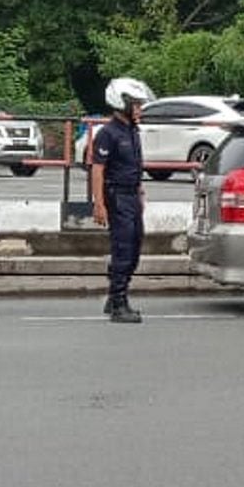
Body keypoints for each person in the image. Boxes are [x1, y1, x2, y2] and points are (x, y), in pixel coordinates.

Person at [92, 77, 155, 324]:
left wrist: (139, 190)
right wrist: (99, 204)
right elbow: (97, 169)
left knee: (135, 246)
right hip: (116, 196)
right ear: (122, 103)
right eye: (136, 104)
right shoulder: (108, 133)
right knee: (123, 249)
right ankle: (119, 302)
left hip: (131, 195)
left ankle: (114, 295)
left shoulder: (132, 131)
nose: (140, 109)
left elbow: (134, 165)